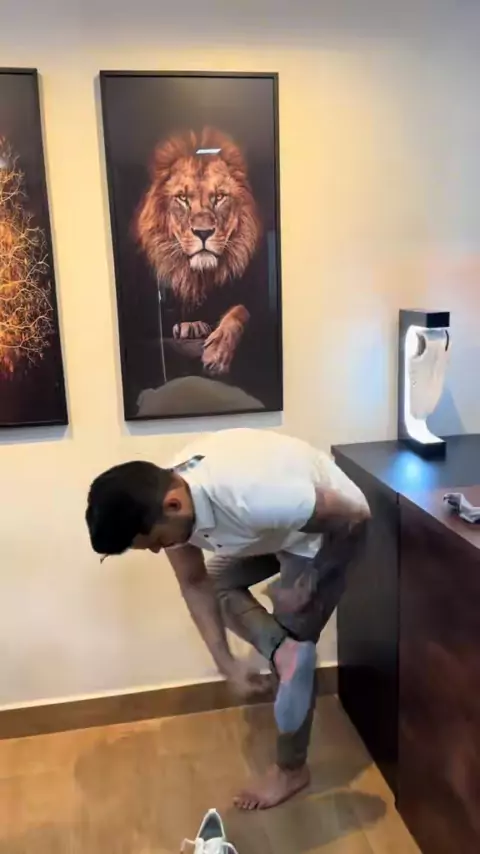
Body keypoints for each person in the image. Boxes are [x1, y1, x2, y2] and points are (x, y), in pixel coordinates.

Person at [86, 428, 370, 810]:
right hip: (276, 528)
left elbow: (357, 516)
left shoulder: (251, 494)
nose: (156, 551)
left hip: (327, 532)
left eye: (156, 541)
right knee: (221, 587)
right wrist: (227, 664)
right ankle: (282, 649)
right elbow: (194, 582)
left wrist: (312, 580)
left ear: (173, 505)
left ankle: (291, 770)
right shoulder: (165, 497)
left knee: (297, 654)